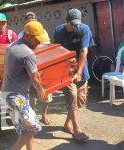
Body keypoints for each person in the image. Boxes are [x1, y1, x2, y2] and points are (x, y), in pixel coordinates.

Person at [1, 20, 50, 150]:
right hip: (18, 98)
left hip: (8, 94)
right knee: (33, 128)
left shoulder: (11, 46)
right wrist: (41, 90)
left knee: (26, 129)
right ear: (27, 35)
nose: (39, 43)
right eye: (37, 40)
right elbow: (34, 77)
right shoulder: (28, 53)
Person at [54, 8, 94, 141]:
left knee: (80, 101)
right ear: (66, 21)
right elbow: (58, 51)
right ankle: (77, 130)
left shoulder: (84, 29)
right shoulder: (59, 31)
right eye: (72, 24)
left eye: (77, 24)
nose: (75, 26)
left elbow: (84, 51)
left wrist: (79, 72)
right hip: (66, 70)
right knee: (72, 96)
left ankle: (67, 123)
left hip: (82, 69)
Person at [18, 11, 52, 125]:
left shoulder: (43, 31)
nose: (31, 22)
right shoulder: (21, 34)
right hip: (28, 67)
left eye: (33, 20)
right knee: (31, 95)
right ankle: (32, 116)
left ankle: (44, 114)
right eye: (28, 20)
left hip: (42, 65)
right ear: (25, 22)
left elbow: (46, 47)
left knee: (46, 93)